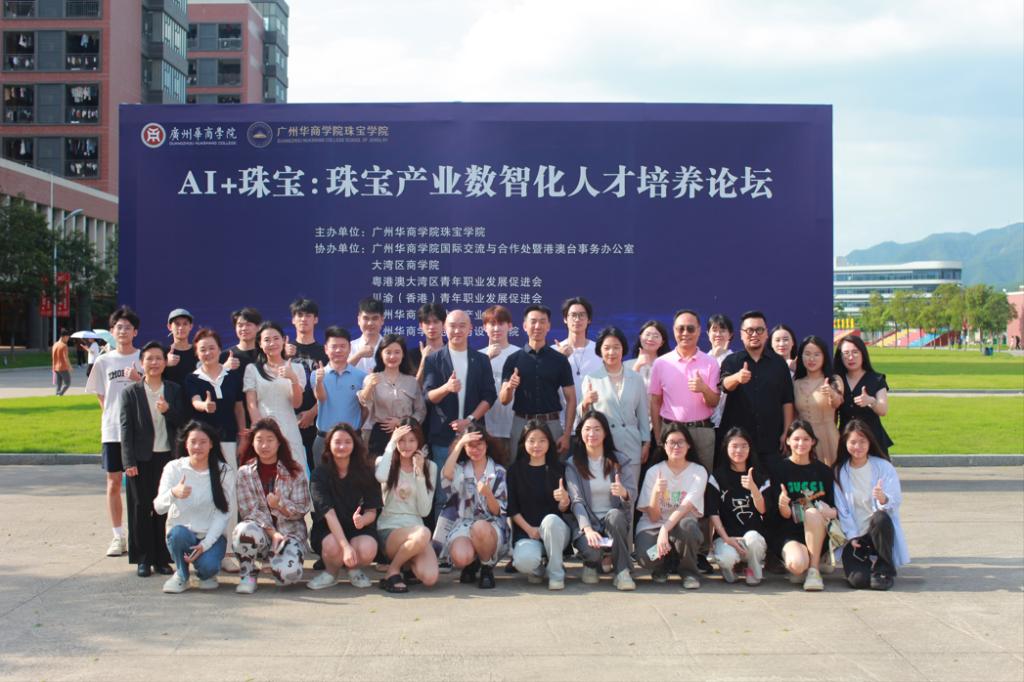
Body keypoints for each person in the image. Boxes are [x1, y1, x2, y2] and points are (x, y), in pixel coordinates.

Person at [120, 341, 185, 577]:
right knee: (140, 508)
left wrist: (168, 410)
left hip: (168, 458)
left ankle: (161, 558)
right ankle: (143, 559)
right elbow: (125, 429)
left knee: (164, 508)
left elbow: (183, 421)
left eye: (159, 358)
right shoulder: (131, 392)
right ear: (141, 363)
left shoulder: (174, 390)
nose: (154, 363)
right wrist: (128, 462)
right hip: (141, 459)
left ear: (165, 362)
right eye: (149, 358)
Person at [423, 310, 496, 517]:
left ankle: (472, 532)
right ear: (445, 329)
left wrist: (470, 420)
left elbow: (490, 396)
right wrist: (446, 388)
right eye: (452, 326)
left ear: (470, 329)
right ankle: (442, 536)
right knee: (443, 495)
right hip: (443, 437)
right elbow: (428, 396)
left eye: (462, 326)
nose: (457, 330)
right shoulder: (434, 359)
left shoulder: (481, 359)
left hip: (473, 436)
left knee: (474, 492)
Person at [185, 328, 246, 567]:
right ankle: (204, 549)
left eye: (212, 348)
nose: (208, 353)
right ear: (196, 353)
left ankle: (229, 551)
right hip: (202, 446)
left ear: (220, 349)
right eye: (203, 349)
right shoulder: (192, 379)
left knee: (229, 495)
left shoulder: (232, 376)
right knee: (205, 494)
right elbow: (195, 402)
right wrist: (204, 406)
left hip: (229, 441)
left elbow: (239, 408)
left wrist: (243, 435)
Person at [86, 305, 143, 558]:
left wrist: (138, 379)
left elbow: (153, 389)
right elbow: (101, 395)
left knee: (140, 485)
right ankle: (118, 536)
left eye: (128, 327)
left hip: (140, 431)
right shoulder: (103, 361)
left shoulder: (143, 357)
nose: (123, 331)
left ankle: (140, 535)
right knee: (113, 483)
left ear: (135, 332)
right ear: (112, 331)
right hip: (112, 431)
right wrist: (112, 415)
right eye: (119, 327)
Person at [232, 418, 312, 594]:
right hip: (262, 534)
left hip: (290, 533)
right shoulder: (244, 473)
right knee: (243, 530)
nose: (264, 445)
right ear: (252, 443)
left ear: (279, 443)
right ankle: (248, 574)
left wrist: (279, 505)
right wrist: (273, 534)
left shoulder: (294, 470)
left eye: (270, 440)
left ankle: (275, 561)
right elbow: (249, 511)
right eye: (259, 440)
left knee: (286, 576)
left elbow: (302, 508)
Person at [154, 421, 234, 593]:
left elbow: (223, 514)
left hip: (211, 536)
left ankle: (206, 574)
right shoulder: (173, 468)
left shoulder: (224, 471)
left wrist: (205, 545)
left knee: (209, 566)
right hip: (183, 534)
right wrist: (173, 493)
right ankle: (181, 575)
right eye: (193, 441)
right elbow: (158, 507)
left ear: (211, 444)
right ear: (185, 443)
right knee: (178, 534)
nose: (198, 447)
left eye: (203, 442)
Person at [563, 410, 636, 590]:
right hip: (588, 524)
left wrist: (624, 493)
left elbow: (632, 494)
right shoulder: (573, 463)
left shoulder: (620, 460)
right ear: (580, 433)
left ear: (605, 433)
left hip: (613, 522)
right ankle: (591, 563)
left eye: (597, 429)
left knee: (615, 516)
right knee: (592, 551)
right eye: (587, 429)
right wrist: (587, 529)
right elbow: (576, 501)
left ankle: (622, 572)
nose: (592, 434)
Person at [833, 420, 909, 590]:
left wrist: (883, 498)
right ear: (845, 443)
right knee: (859, 581)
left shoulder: (883, 467)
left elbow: (895, 500)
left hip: (877, 533)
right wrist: (852, 536)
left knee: (880, 517)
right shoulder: (839, 471)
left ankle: (884, 568)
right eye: (853, 442)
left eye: (862, 442)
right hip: (856, 537)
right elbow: (842, 510)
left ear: (870, 442)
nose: (857, 447)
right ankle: (867, 564)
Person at [306, 424, 382, 590]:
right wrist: (346, 547)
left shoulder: (366, 472)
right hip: (328, 530)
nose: (342, 446)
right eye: (337, 442)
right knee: (333, 546)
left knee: (368, 548)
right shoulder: (319, 474)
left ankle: (354, 570)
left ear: (354, 445)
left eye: (347, 442)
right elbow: (329, 514)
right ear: (329, 445)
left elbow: (372, 511)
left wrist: (363, 520)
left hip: (358, 529)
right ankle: (331, 573)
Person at [435, 423, 509, 589]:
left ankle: (486, 567)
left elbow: (498, 511)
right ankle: (472, 563)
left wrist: (488, 494)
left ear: (486, 445)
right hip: (464, 523)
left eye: (479, 444)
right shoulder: (461, 469)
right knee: (460, 557)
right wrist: (460, 443)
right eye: (470, 446)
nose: (475, 449)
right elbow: (446, 475)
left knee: (480, 527)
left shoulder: (498, 472)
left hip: (491, 525)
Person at [634, 422, 707, 589]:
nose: (676, 446)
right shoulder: (654, 472)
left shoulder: (698, 472)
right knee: (647, 556)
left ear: (689, 445)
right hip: (653, 526)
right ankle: (664, 564)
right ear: (664, 445)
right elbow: (653, 517)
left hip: (681, 526)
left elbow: (686, 507)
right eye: (671, 442)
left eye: (681, 442)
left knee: (689, 527)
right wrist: (656, 493)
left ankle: (688, 572)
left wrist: (665, 529)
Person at [579, 326, 650, 493]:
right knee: (607, 494)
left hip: (631, 444)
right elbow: (585, 420)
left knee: (629, 494)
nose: (611, 352)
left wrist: (646, 442)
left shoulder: (636, 378)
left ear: (623, 349)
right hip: (604, 445)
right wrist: (585, 403)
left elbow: (642, 414)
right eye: (607, 348)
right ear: (600, 351)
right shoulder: (592, 378)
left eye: (616, 347)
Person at [499, 305, 576, 458]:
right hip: (521, 423)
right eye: (533, 321)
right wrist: (509, 387)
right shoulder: (513, 359)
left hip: (551, 424)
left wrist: (567, 435)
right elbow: (504, 400)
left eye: (542, 321)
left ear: (548, 326)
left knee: (554, 468)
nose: (537, 326)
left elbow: (571, 399)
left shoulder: (559, 360)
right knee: (517, 467)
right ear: (524, 326)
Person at [719, 310, 795, 464]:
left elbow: (787, 400)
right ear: (741, 334)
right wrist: (737, 378)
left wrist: (786, 431)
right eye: (749, 330)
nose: (754, 334)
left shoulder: (779, 363)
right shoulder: (731, 361)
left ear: (766, 334)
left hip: (772, 440)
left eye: (759, 330)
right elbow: (724, 385)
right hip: (739, 442)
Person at [649, 309, 720, 471]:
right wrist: (659, 437)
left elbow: (714, 402)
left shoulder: (710, 363)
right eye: (681, 329)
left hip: (701, 432)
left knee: (702, 479)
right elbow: (655, 402)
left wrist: (703, 389)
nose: (685, 333)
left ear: (699, 331)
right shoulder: (661, 363)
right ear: (674, 330)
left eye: (690, 328)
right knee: (670, 479)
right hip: (671, 431)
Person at [771, 419, 836, 592]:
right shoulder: (778, 469)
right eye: (796, 439)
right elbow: (782, 515)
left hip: (818, 531)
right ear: (788, 441)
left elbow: (834, 508)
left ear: (813, 441)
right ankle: (807, 564)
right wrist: (783, 505)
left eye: (806, 439)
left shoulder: (823, 471)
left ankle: (814, 570)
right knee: (797, 566)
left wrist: (830, 511)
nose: (801, 443)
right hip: (789, 532)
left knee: (812, 513)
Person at [374, 419, 439, 593]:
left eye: (412, 440)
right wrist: (390, 445)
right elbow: (380, 477)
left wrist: (420, 474)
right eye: (401, 440)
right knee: (424, 533)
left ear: (419, 441)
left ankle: (406, 564)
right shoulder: (384, 461)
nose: (406, 445)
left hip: (416, 531)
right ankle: (393, 571)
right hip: (390, 528)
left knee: (430, 578)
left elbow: (424, 511)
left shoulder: (430, 467)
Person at [507, 420, 571, 590]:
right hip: (528, 532)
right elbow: (512, 509)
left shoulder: (559, 469)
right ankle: (538, 568)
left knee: (550, 521)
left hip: (556, 532)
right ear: (523, 443)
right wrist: (530, 530)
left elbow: (564, 510)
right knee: (523, 561)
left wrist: (564, 501)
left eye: (542, 440)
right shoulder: (514, 471)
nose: (537, 445)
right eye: (532, 440)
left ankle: (556, 573)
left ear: (549, 443)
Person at [706, 427, 770, 585]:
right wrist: (726, 538)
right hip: (726, 537)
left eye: (744, 446)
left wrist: (753, 488)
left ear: (750, 448)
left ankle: (753, 570)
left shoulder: (760, 477)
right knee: (727, 558)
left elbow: (763, 510)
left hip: (753, 538)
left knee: (753, 538)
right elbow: (713, 512)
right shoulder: (717, 477)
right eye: (734, 446)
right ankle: (730, 569)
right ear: (726, 448)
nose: (739, 450)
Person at [242, 321, 308, 476]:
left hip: (289, 428)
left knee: (294, 472)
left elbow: (297, 403)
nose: (272, 343)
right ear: (260, 343)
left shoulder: (297, 368)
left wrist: (293, 378)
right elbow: (251, 404)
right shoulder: (252, 369)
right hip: (263, 430)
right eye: (267, 340)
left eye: (276, 338)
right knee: (265, 474)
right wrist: (261, 431)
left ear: (284, 340)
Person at [358, 334, 426, 459]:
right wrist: (369, 387)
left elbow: (420, 411)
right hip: (380, 434)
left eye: (397, 352)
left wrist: (403, 423)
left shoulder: (411, 381)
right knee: (380, 469)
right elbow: (364, 405)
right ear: (381, 354)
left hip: (407, 434)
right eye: (388, 352)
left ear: (403, 354)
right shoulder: (372, 378)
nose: (392, 356)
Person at [284, 298, 328, 475]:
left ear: (315, 319)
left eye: (308, 315)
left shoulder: (324, 352)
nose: (303, 319)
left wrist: (312, 413)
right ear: (293, 320)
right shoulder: (284, 351)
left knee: (317, 472)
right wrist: (282, 355)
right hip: (288, 419)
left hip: (316, 421)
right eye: (299, 315)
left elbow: (330, 389)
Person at [311, 326, 367, 460]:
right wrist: (319, 381)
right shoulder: (317, 374)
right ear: (326, 349)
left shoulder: (361, 376)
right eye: (334, 346)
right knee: (322, 473)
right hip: (324, 438)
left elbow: (365, 409)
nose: (338, 350)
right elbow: (321, 398)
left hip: (352, 439)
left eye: (342, 346)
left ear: (349, 348)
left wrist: (356, 429)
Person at [834, 335, 893, 456]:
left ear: (863, 354)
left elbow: (883, 410)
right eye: (846, 353)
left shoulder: (876, 379)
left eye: (855, 352)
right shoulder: (837, 380)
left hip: (873, 439)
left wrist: (871, 401)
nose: (851, 357)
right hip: (847, 440)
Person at [552, 297, 603, 427]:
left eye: (582, 315)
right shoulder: (553, 352)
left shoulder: (600, 351)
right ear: (565, 319)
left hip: (593, 426)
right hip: (561, 425)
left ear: (589, 319)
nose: (577, 319)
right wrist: (559, 360)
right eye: (573, 315)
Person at [793, 336, 842, 465]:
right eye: (807, 354)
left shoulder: (834, 380)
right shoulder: (796, 383)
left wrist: (831, 393)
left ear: (824, 356)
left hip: (828, 437)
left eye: (816, 354)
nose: (811, 359)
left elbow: (838, 403)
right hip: (803, 440)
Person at [480, 305, 520, 453]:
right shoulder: (478, 356)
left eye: (501, 323)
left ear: (510, 326)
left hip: (513, 427)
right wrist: (487, 358)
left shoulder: (519, 354)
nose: (496, 328)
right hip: (484, 428)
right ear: (484, 327)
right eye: (492, 324)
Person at [705, 313, 734, 430]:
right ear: (708, 334)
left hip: (729, 421)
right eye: (714, 330)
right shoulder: (701, 360)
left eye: (722, 330)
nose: (718, 334)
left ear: (730, 335)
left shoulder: (736, 360)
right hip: (705, 422)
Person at [624, 320, 670, 391]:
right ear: (640, 337)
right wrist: (637, 366)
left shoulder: (667, 366)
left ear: (662, 342)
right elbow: (624, 391)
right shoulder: (626, 365)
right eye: (647, 334)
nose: (650, 339)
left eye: (656, 336)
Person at [407, 302, 447, 382]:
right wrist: (423, 362)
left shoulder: (452, 351)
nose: (431, 327)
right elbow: (412, 388)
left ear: (443, 324)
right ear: (421, 326)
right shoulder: (411, 355)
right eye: (427, 322)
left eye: (436, 321)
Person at [349, 297, 385, 374]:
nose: (370, 323)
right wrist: (359, 355)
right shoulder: (350, 347)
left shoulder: (390, 346)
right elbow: (339, 373)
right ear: (359, 320)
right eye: (366, 318)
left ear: (382, 320)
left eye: (375, 318)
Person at [163, 308, 197, 387]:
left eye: (185, 324)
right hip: (171, 395)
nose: (181, 327)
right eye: (177, 324)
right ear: (169, 327)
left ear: (191, 326)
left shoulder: (199, 352)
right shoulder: (163, 353)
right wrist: (165, 363)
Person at [223, 307, 262, 374]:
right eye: (240, 325)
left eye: (248, 324)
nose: (244, 328)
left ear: (258, 327)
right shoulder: (225, 356)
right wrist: (224, 368)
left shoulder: (266, 353)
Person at [52, 329, 71, 396]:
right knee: (67, 383)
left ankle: (57, 395)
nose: (68, 339)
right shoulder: (64, 346)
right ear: (64, 337)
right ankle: (60, 394)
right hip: (63, 367)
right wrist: (69, 366)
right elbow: (66, 357)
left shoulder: (55, 344)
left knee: (59, 384)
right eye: (67, 337)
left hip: (55, 367)